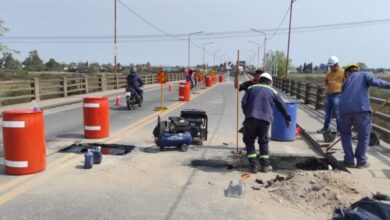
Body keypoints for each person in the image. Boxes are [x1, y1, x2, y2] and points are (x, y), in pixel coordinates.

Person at [339, 64, 390, 168]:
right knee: (364, 135)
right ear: (357, 70)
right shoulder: (364, 74)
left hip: (344, 111)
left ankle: (349, 161)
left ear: (347, 73)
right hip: (362, 110)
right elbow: (378, 83)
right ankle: (361, 161)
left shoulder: (345, 82)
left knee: (345, 135)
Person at [241, 72, 291, 173]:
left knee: (249, 141)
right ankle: (265, 166)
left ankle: (254, 166)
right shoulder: (272, 91)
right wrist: (287, 118)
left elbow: (243, 102)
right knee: (263, 141)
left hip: (251, 118)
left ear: (260, 80)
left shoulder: (251, 88)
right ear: (270, 82)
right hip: (265, 120)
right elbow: (282, 105)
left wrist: (248, 114)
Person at [318, 56, 345, 133]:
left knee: (338, 113)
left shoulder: (343, 72)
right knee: (327, 113)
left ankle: (339, 130)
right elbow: (326, 80)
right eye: (329, 66)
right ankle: (326, 128)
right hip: (329, 95)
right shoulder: (329, 73)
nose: (330, 67)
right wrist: (326, 82)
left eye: (331, 66)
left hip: (338, 95)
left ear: (336, 64)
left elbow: (346, 82)